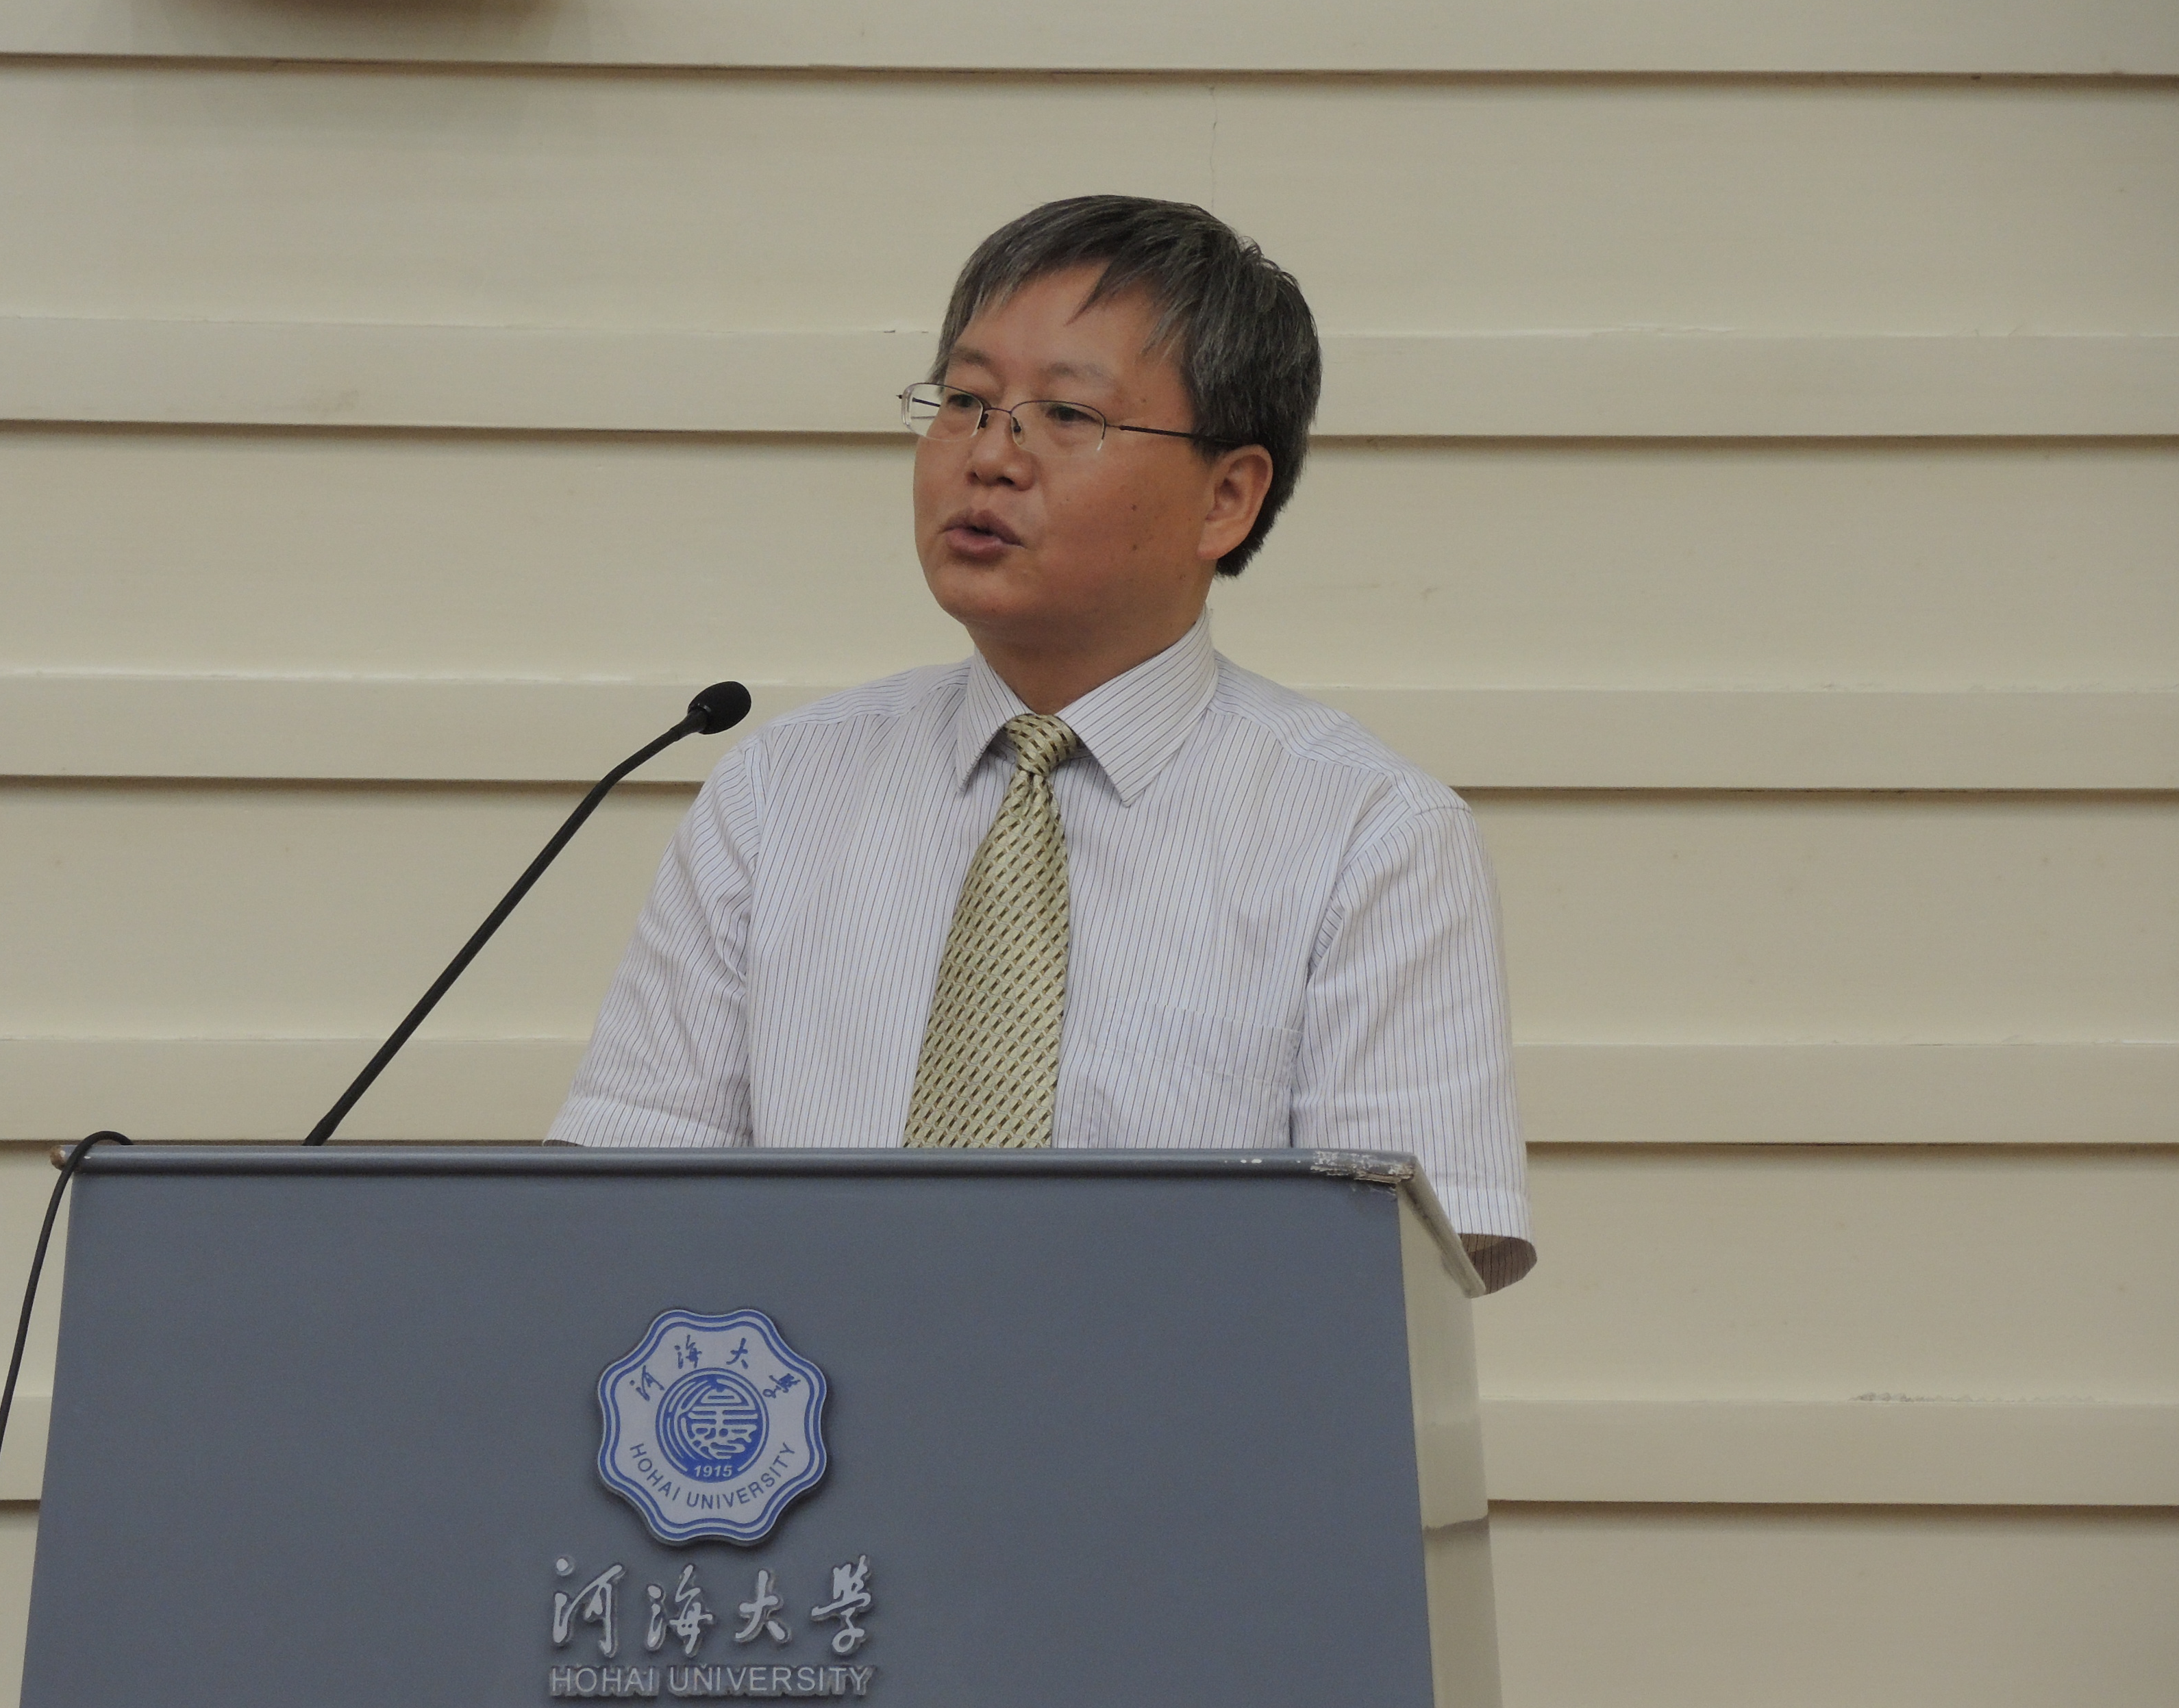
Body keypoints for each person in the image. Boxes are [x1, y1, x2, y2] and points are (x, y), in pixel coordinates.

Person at [553, 195, 1534, 1289]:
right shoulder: (781, 790)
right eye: (966, 401)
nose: (989, 456)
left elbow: (1397, 1292)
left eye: (1065, 415)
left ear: (1227, 496)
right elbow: (621, 1218)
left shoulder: (1370, 837)